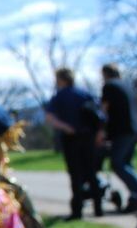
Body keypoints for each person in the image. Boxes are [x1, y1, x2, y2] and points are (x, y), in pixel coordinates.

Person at [44, 68, 104, 220]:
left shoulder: (59, 96)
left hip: (71, 138)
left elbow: (50, 118)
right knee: (91, 172)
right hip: (89, 137)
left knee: (75, 174)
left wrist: (65, 127)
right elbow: (99, 115)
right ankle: (98, 209)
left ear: (61, 79)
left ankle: (77, 211)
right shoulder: (85, 94)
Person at [100, 64, 137, 212]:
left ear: (105, 74)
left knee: (117, 163)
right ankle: (136, 198)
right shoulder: (126, 86)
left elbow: (104, 111)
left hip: (122, 131)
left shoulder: (109, 86)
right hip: (135, 129)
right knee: (127, 164)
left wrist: (101, 131)